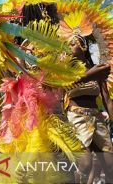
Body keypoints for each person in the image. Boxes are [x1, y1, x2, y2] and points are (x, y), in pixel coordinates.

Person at [65, 35, 113, 183]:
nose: (69, 46)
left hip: (97, 119)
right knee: (85, 164)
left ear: (84, 47)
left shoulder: (97, 69)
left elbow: (106, 98)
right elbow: (60, 87)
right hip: (76, 119)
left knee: (110, 166)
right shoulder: (63, 69)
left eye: (73, 43)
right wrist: (89, 75)